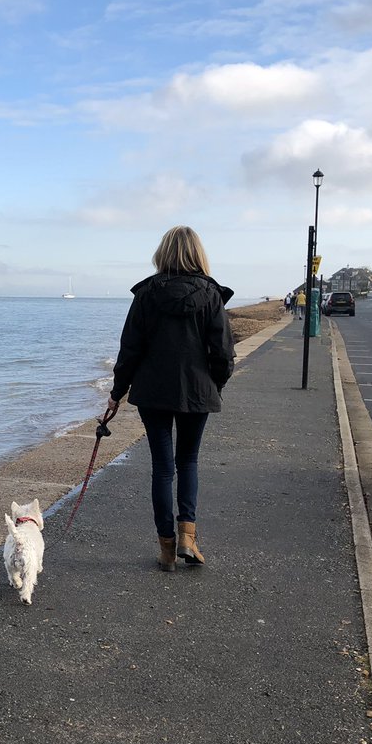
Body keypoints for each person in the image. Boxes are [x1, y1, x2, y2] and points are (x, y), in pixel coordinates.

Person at [106, 225, 235, 571]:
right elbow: (223, 352)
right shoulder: (210, 295)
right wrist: (215, 385)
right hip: (197, 391)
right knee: (188, 462)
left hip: (153, 392)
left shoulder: (146, 294)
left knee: (163, 468)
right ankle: (188, 539)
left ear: (163, 253)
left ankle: (166, 549)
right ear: (198, 254)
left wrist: (117, 393)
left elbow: (130, 350)